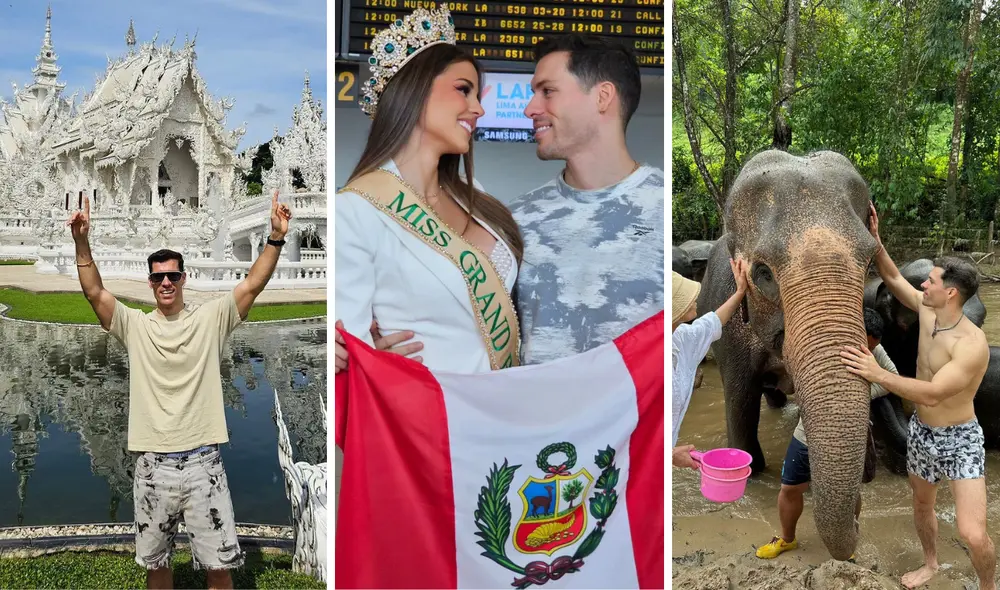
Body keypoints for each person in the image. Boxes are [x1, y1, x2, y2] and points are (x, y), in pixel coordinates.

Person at [68, 191, 292, 589]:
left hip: (203, 461)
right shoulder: (136, 326)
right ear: (151, 281)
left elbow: (253, 285)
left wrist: (275, 237)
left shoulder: (211, 319)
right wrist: (81, 241)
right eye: (158, 277)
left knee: (218, 567)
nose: (166, 282)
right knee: (157, 565)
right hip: (153, 464)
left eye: (173, 275)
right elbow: (95, 294)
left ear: (183, 278)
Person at [334, 4, 523, 375]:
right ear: (416, 91)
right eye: (464, 90)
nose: (477, 109)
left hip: (504, 411)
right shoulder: (355, 211)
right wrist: (353, 357)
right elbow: (349, 350)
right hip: (428, 419)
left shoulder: (473, 194)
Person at [841, 204, 995, 590]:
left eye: (931, 281)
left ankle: (989, 585)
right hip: (923, 434)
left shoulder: (971, 345)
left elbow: (933, 391)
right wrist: (875, 241)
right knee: (922, 504)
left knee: (972, 532)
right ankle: (931, 564)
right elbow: (892, 277)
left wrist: (878, 375)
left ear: (951, 293)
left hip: (960, 437)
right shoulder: (928, 312)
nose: (924, 286)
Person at [508, 34, 664, 365]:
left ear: (603, 97)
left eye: (547, 91)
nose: (530, 109)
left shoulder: (666, 211)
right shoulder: (514, 222)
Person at [757, 307, 898, 560]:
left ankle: (847, 538)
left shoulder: (874, 350)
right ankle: (787, 539)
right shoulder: (820, 342)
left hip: (851, 432)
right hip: (808, 430)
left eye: (872, 347)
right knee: (790, 488)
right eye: (864, 345)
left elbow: (892, 378)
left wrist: (860, 396)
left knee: (848, 491)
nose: (868, 350)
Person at [671, 262, 747, 459]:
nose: (695, 298)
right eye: (684, 298)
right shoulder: (648, 359)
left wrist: (740, 292)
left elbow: (712, 323)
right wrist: (669, 456)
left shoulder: (680, 337)